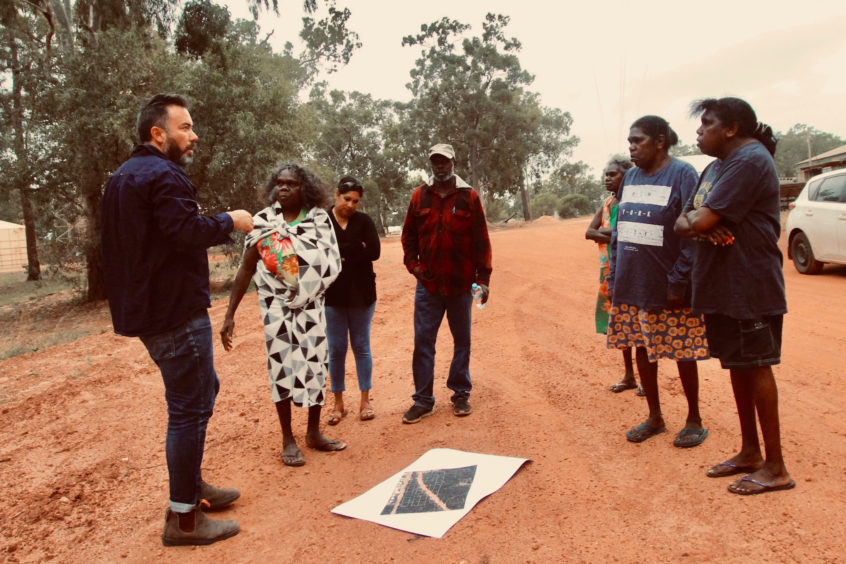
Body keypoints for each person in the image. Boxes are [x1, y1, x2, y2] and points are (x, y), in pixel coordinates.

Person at [101, 93, 254, 546]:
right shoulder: (163, 175)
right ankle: (184, 519)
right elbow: (186, 232)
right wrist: (232, 219)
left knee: (204, 390)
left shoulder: (123, 178)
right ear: (157, 133)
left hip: (150, 313)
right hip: (174, 314)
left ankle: (191, 486)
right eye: (185, 127)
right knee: (188, 410)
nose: (194, 135)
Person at [675, 97, 794, 495]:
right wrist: (700, 223)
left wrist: (700, 221)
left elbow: (700, 217)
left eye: (706, 123)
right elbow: (682, 220)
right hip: (722, 284)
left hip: (749, 284)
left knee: (757, 365)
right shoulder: (714, 167)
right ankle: (750, 452)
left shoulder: (749, 161)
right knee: (738, 365)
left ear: (731, 128)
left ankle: (776, 467)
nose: (698, 130)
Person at [221, 164, 345, 468]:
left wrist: (303, 283)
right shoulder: (263, 222)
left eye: (291, 183)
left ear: (305, 187)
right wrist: (229, 314)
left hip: (310, 306)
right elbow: (248, 267)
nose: (284, 188)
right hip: (275, 308)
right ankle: (288, 438)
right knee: (280, 368)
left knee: (316, 364)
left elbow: (330, 263)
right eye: (279, 183)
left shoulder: (319, 220)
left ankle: (314, 432)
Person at [607, 115, 710, 447]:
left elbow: (694, 232)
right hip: (632, 282)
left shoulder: (682, 174)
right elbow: (619, 229)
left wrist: (679, 278)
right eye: (630, 142)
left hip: (668, 284)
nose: (631, 147)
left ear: (661, 141)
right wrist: (614, 272)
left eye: (638, 141)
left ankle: (694, 419)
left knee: (683, 350)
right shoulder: (631, 177)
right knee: (641, 347)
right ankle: (654, 417)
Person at [400, 143, 492, 423]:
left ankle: (460, 394)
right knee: (423, 341)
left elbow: (481, 240)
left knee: (461, 340)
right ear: (430, 164)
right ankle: (423, 400)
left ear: (453, 162)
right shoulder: (419, 196)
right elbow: (408, 237)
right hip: (428, 285)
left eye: (444, 161)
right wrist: (415, 267)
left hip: (460, 284)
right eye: (435, 161)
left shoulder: (469, 196)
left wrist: (483, 279)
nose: (439, 166)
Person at [324, 176, 381, 424]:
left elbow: (375, 252)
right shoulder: (321, 221)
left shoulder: (364, 221)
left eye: (356, 201)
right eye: (347, 199)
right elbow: (319, 254)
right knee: (336, 350)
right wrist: (356, 248)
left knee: (361, 347)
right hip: (332, 296)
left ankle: (365, 401)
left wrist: (343, 253)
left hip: (362, 295)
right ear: (337, 194)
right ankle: (338, 405)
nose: (351, 205)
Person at [585, 155, 641, 396]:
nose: (607, 178)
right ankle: (629, 376)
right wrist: (617, 233)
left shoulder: (635, 202)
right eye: (606, 174)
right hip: (609, 270)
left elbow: (631, 234)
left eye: (613, 174)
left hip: (633, 269)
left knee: (640, 324)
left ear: (627, 175)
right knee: (621, 324)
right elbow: (589, 232)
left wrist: (613, 233)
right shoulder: (607, 203)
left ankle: (646, 381)